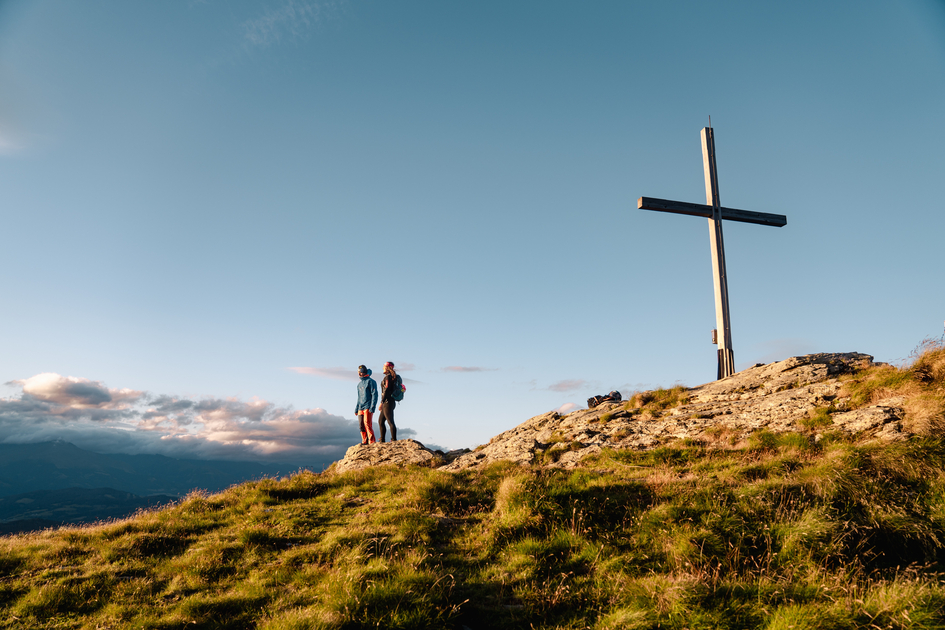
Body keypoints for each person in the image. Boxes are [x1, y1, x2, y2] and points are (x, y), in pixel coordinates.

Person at [377, 361, 402, 442]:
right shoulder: (393, 377)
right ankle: (382, 439)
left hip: (387, 402)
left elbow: (386, 390)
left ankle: (393, 439)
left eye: (384, 367)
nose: (382, 368)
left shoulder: (388, 377)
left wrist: (382, 402)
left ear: (387, 368)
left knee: (390, 421)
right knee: (381, 421)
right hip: (390, 402)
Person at [355, 365, 378, 445]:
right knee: (361, 425)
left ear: (364, 372)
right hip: (360, 407)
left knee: (367, 423)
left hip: (368, 406)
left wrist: (372, 407)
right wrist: (356, 408)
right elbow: (359, 397)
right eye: (358, 372)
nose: (359, 373)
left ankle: (371, 441)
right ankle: (364, 441)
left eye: (361, 371)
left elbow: (374, 394)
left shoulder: (371, 381)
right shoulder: (359, 384)